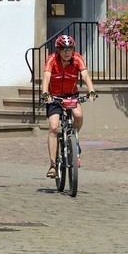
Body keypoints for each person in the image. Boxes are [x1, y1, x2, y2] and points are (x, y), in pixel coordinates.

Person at [41, 33, 96, 177]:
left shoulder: (77, 58)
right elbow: (46, 76)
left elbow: (85, 75)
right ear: (58, 50)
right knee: (53, 128)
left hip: (71, 95)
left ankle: (74, 139)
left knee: (78, 115)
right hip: (54, 97)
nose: (67, 52)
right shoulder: (51, 59)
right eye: (63, 49)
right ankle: (53, 165)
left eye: (69, 49)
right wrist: (45, 93)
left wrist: (91, 91)